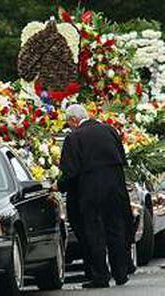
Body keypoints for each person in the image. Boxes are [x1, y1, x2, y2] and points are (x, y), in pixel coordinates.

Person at [56, 104, 134, 288]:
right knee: (116, 229)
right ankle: (121, 273)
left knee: (94, 233)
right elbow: (122, 159)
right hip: (115, 188)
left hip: (90, 191)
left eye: (69, 122)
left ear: (74, 120)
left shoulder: (73, 138)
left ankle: (100, 276)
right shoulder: (109, 130)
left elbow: (71, 172)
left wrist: (58, 186)